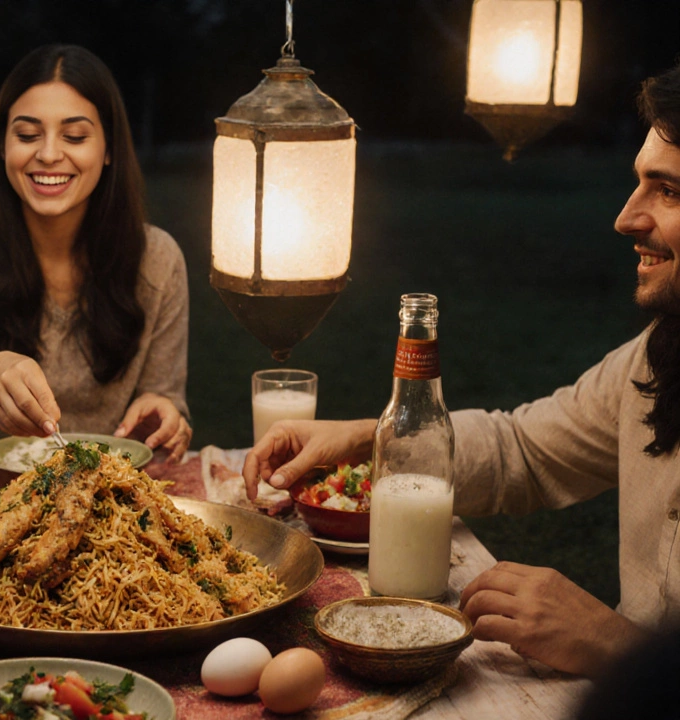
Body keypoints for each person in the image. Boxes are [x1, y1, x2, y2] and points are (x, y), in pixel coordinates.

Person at [241, 63, 680, 678]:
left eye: (669, 191)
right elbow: (525, 449)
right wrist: (368, 439)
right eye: (639, 184)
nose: (626, 218)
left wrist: (614, 644)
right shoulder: (659, 356)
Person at [0, 44, 191, 460]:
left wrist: (164, 415)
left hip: (99, 500)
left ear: (108, 149)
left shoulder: (157, 259)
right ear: (2, 146)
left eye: (74, 136)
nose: (49, 154)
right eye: (27, 135)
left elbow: (164, 403)